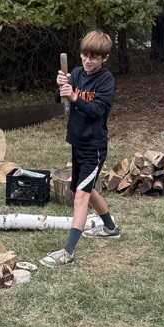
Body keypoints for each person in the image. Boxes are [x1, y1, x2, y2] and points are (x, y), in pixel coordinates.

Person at [40, 30, 120, 267]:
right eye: (85, 55)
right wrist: (61, 87)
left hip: (94, 147)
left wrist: (75, 97)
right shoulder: (75, 73)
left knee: (81, 195)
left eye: (94, 57)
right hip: (77, 143)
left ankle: (68, 251)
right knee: (84, 188)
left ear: (104, 58)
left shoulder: (106, 80)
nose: (87, 60)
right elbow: (61, 102)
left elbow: (98, 110)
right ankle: (111, 228)